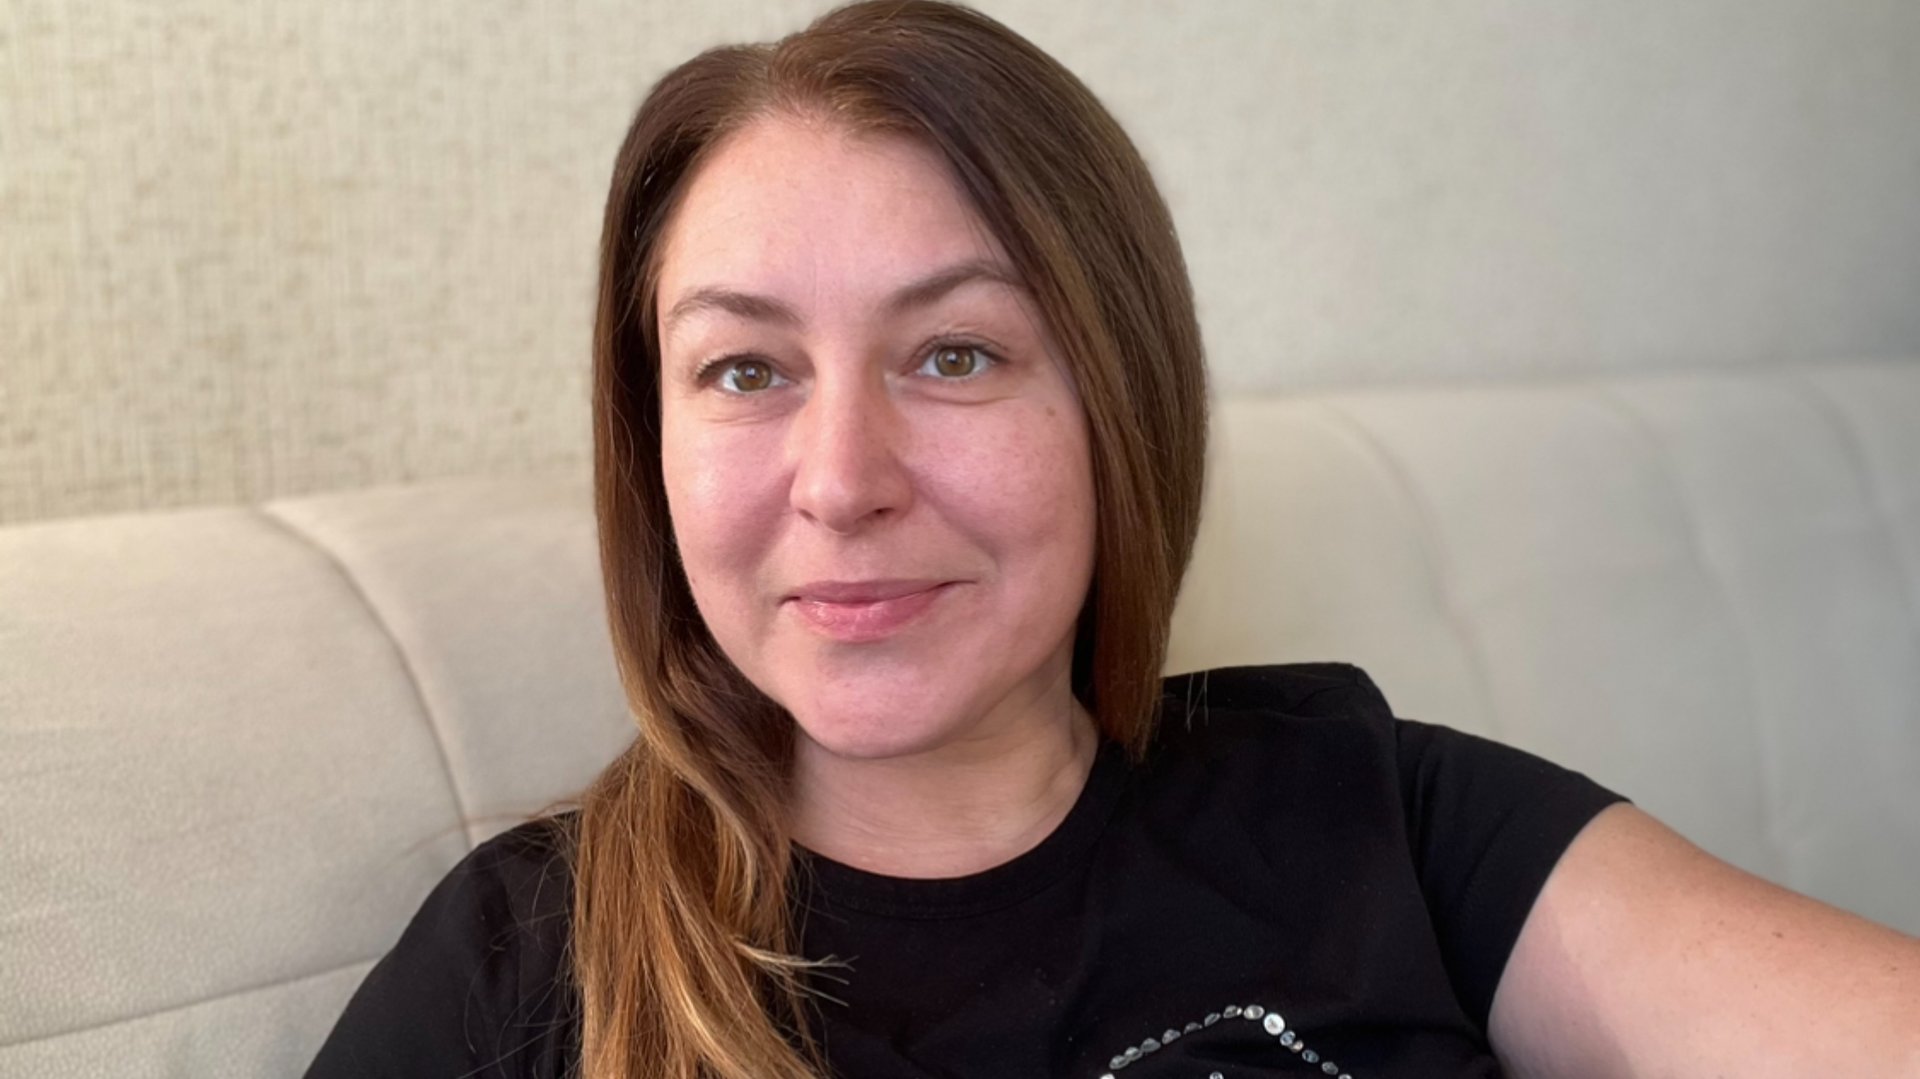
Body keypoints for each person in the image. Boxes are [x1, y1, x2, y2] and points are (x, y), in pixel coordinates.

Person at [304, 3, 1920, 1077]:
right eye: (744, 370)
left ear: (1120, 404)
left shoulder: (1385, 817)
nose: (843, 480)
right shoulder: (523, 964)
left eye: (956, 354)